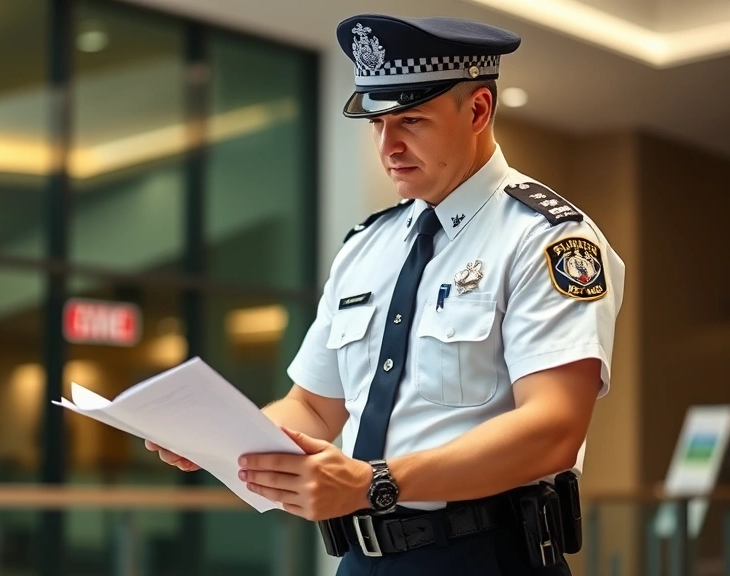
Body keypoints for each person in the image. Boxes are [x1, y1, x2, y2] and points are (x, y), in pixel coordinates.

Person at [147, 13, 624, 576]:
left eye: (411, 120)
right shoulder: (365, 246)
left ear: (477, 111)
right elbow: (314, 405)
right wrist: (227, 440)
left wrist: (375, 483)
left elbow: (552, 431)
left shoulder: (545, 238)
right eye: (376, 124)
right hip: (360, 557)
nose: (388, 145)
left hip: (484, 556)